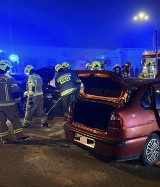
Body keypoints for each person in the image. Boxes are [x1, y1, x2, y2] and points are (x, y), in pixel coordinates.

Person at [0, 60, 29, 143]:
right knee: (15, 120)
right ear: (5, 68)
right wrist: (18, 100)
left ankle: (4, 139)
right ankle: (20, 136)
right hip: (9, 105)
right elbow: (14, 92)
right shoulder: (10, 79)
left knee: (1, 122)